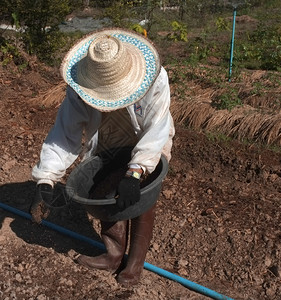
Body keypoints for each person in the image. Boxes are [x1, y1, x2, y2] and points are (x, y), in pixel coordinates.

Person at [30, 28, 175, 286]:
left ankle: (134, 265)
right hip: (109, 135)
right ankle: (113, 254)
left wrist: (135, 172)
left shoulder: (154, 78)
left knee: (142, 195)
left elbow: (157, 128)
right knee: (104, 191)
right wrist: (46, 178)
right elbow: (65, 133)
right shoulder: (80, 87)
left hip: (148, 135)